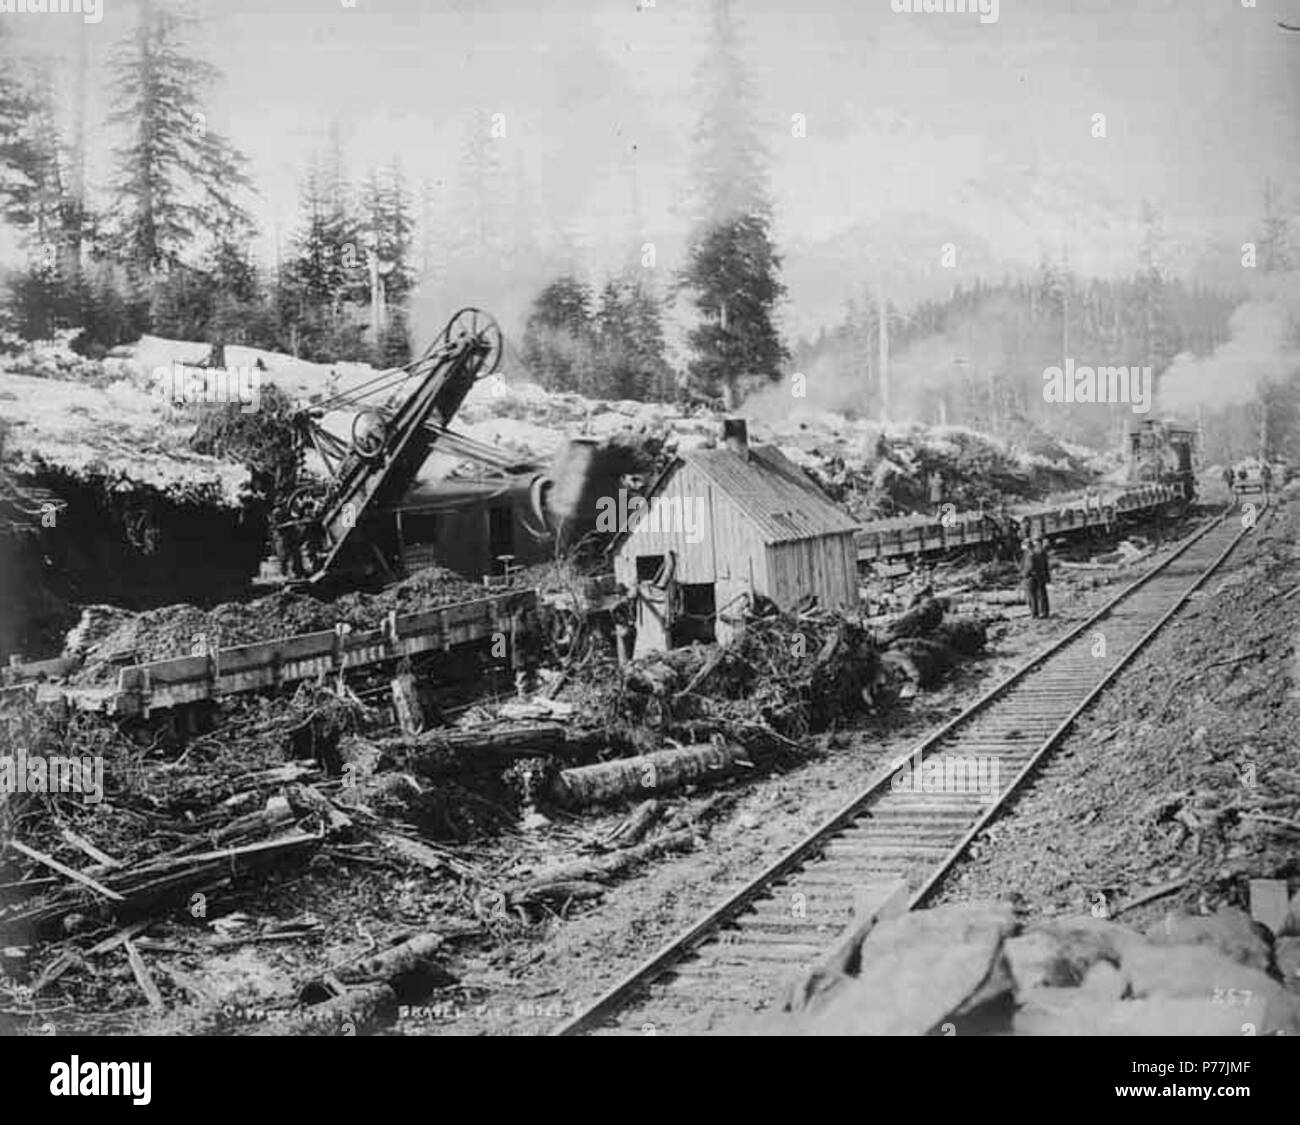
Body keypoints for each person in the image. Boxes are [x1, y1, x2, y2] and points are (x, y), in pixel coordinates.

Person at [1031, 535, 1051, 618]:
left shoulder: (1035, 551)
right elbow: (1046, 565)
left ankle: (1040, 612)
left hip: (1037, 576)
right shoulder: (1042, 551)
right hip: (1042, 575)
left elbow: (1032, 565)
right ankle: (1045, 612)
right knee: (1043, 594)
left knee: (1038, 595)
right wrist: (1048, 576)